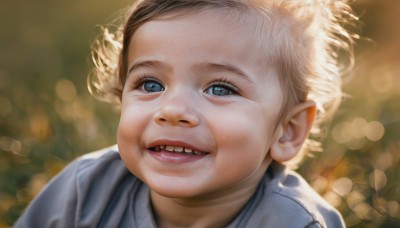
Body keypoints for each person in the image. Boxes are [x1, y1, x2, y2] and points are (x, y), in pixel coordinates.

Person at [15, 0, 358, 227]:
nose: (173, 110)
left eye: (220, 89)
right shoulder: (84, 193)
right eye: (150, 84)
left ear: (287, 130)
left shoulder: (294, 223)